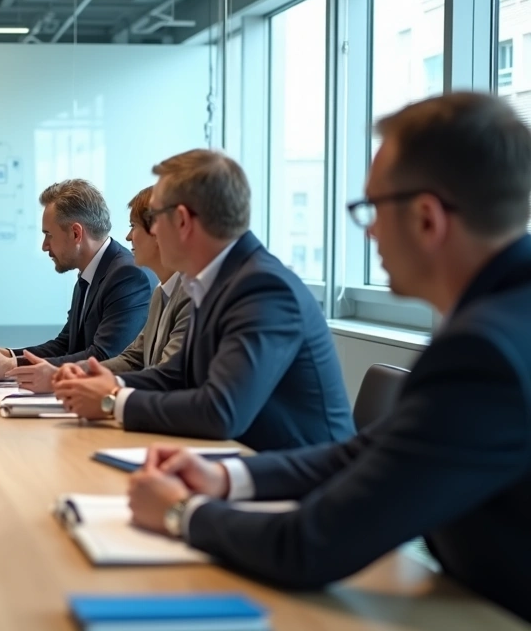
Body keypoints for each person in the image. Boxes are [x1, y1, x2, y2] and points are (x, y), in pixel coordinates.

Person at [126, 92, 531, 624]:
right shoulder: (503, 317)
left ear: (428, 219)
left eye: (373, 208)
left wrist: (182, 513)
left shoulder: (484, 353)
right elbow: (363, 452)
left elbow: (311, 546)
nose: (368, 231)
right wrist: (227, 480)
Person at [52, 150, 354, 452]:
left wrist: (113, 400)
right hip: (243, 463)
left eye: (154, 218)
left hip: (303, 484)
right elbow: (174, 375)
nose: (149, 232)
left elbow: (221, 411)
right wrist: (109, 385)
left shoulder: (263, 287)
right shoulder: (214, 282)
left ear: (182, 220)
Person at [0, 179, 155, 380]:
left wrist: (11, 366)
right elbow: (65, 344)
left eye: (48, 235)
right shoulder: (91, 273)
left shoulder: (127, 276)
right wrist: (6, 354)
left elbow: (102, 356)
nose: (44, 246)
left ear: (76, 233)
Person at [17, 186, 192, 393]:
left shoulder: (187, 295)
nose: (128, 237)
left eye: (133, 226)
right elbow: (133, 359)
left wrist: (64, 378)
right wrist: (56, 372)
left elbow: (166, 376)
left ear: (160, 233)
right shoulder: (160, 293)